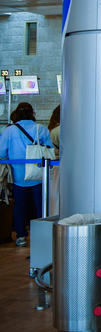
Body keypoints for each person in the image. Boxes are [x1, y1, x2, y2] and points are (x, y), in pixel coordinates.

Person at [0, 103, 53, 247]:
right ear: (32, 113)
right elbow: (49, 150)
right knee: (40, 206)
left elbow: (1, 152)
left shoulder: (9, 131)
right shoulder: (41, 129)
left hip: (18, 176)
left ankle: (21, 236)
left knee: (19, 206)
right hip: (38, 174)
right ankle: (42, 235)